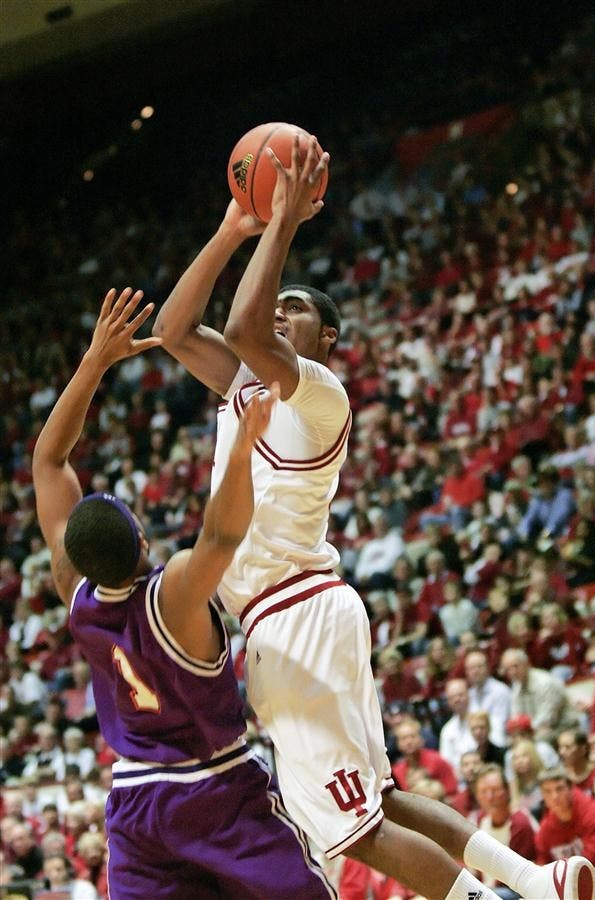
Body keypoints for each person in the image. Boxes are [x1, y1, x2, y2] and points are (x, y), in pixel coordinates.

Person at [154, 134, 595, 900]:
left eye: (298, 311)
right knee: (380, 797)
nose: (280, 313)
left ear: (327, 341)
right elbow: (172, 329)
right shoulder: (244, 384)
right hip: (306, 613)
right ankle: (540, 879)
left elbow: (249, 326)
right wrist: (234, 229)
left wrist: (283, 222)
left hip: (291, 618)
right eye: (281, 303)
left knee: (354, 827)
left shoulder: (320, 394)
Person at [32, 288, 332, 899]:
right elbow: (222, 533)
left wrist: (93, 362)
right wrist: (245, 443)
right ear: (142, 539)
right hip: (215, 789)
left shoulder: (77, 596)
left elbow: (48, 462)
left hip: (136, 807)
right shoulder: (171, 597)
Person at [472, 764, 538, 900]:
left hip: (516, 891)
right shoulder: (480, 820)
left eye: (495, 790)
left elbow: (515, 877)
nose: (489, 797)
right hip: (489, 890)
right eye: (483, 792)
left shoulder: (520, 823)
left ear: (507, 790)